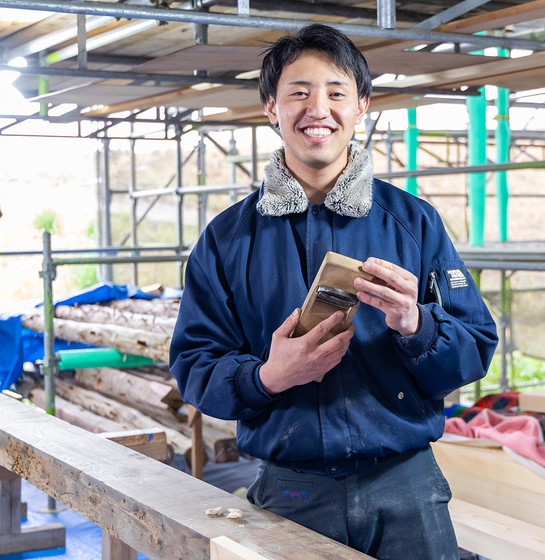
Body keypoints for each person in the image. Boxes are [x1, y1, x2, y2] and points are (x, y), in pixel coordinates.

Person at [170, 23, 498, 559]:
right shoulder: (228, 240)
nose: (317, 108)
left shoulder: (413, 223)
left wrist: (417, 326)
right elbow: (193, 365)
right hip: (293, 491)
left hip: (406, 486)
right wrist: (267, 377)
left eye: (336, 92)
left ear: (362, 106)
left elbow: (474, 350)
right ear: (270, 108)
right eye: (298, 92)